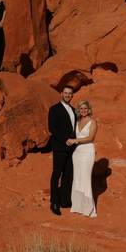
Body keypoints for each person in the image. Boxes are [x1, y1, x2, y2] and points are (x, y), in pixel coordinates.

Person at [47, 86, 77, 216]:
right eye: (65, 93)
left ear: (72, 95)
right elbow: (52, 128)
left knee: (67, 175)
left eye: (70, 93)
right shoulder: (54, 109)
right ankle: (54, 202)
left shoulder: (74, 110)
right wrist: (65, 140)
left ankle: (65, 200)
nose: (67, 95)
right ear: (61, 94)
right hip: (60, 147)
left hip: (71, 149)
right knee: (56, 174)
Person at [67, 99, 98, 218]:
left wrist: (75, 140)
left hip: (87, 151)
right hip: (77, 153)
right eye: (81, 108)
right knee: (77, 179)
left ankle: (89, 209)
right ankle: (78, 206)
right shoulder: (77, 121)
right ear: (78, 110)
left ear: (89, 109)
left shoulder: (93, 122)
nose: (83, 110)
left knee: (85, 179)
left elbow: (90, 138)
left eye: (85, 108)